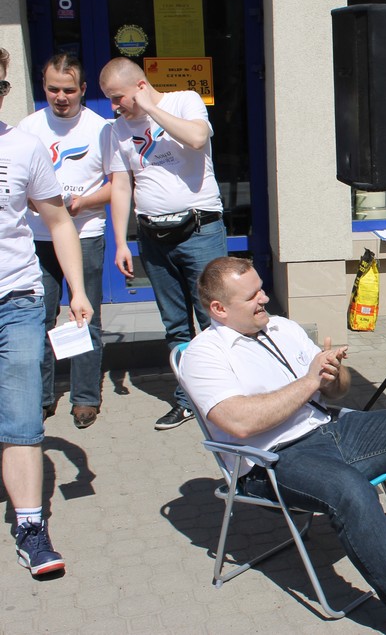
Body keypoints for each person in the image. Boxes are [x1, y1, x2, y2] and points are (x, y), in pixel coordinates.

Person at [177, 256, 386, 635]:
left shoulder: (283, 328)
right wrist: (311, 382)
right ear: (219, 308)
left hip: (331, 428)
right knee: (351, 489)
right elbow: (239, 423)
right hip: (273, 459)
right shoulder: (204, 354)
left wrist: (331, 377)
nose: (264, 298)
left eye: (261, 288)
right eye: (252, 296)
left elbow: (335, 391)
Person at [0, 46, 93, 575]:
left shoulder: (25, 146)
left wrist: (77, 290)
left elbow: (58, 221)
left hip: (17, 298)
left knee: (21, 418)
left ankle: (32, 528)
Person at [99, 57, 227, 431]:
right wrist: (121, 241)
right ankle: (188, 400)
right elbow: (122, 185)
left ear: (139, 86)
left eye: (117, 96)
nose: (114, 106)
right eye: (109, 98)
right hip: (154, 238)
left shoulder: (184, 100)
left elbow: (197, 138)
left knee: (214, 318)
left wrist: (151, 108)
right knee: (176, 327)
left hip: (200, 231)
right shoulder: (114, 131)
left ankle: (227, 396)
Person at [19, 52, 111, 429]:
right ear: (44, 88)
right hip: (37, 238)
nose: (61, 96)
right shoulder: (28, 128)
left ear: (83, 89)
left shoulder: (101, 129)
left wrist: (83, 203)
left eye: (69, 90)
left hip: (85, 234)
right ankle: (40, 398)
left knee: (84, 318)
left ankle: (85, 397)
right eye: (53, 89)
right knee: (37, 318)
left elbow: (120, 186)